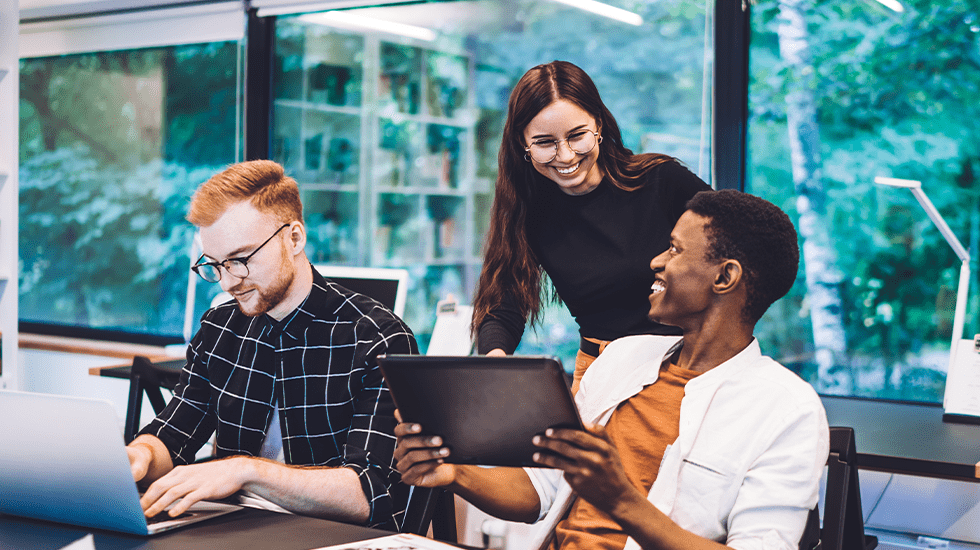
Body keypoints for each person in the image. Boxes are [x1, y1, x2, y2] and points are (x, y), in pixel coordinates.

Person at [396, 189, 829, 548]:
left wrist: (622, 501)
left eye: (675, 249)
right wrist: (454, 473)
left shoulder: (788, 410)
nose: (657, 261)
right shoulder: (622, 357)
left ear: (724, 277)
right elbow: (543, 490)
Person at [127, 160, 418, 531]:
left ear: (294, 238)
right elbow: (172, 437)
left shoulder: (377, 338)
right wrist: (139, 455)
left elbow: (368, 495)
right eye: (215, 265)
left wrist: (244, 471)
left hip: (335, 538)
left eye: (241, 259)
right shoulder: (220, 328)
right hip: (236, 532)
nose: (228, 282)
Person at [472, 60, 712, 391]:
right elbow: (502, 305)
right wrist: (495, 360)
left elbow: (736, 248)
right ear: (522, 144)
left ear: (597, 125)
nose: (566, 156)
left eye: (577, 136)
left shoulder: (661, 180)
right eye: (545, 143)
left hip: (680, 369)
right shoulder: (526, 211)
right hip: (599, 374)